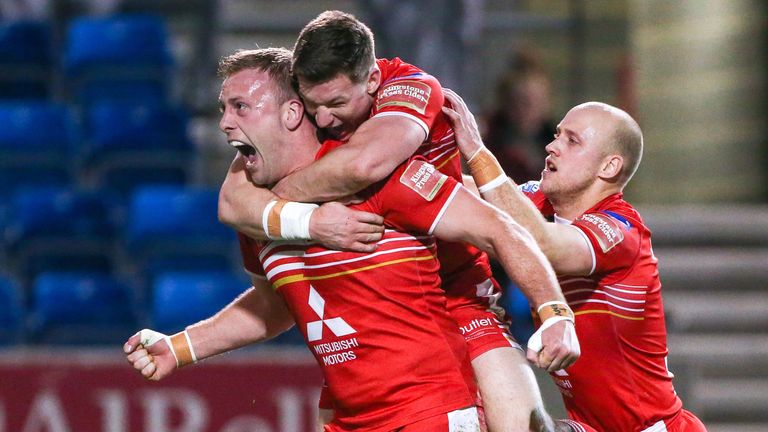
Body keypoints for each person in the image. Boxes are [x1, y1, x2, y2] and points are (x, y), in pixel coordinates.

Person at [125, 47, 573, 432]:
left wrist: (553, 313)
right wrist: (180, 346)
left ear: (292, 112)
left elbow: (501, 229)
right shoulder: (259, 214)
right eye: (224, 108)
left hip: (427, 411)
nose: (224, 123)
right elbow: (274, 302)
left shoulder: (382, 175)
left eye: (240, 107)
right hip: (347, 419)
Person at [442, 89, 708, 432]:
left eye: (572, 141)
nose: (552, 147)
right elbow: (450, 193)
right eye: (556, 136)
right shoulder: (538, 202)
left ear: (609, 166)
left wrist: (478, 152)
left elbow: (542, 243)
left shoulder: (620, 231)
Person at [482, 47, 555, 184]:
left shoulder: (556, 143)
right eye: (521, 102)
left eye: (537, 102)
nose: (527, 110)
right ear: (505, 103)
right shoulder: (487, 142)